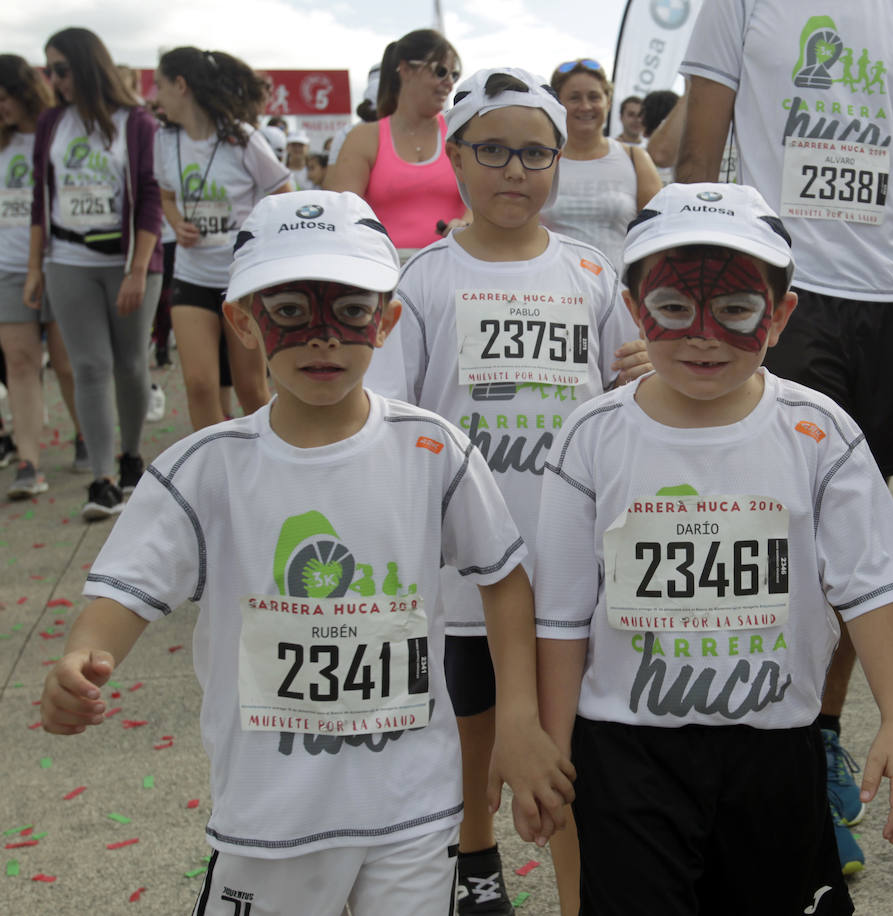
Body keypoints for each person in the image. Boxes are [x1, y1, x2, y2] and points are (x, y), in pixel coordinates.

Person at [40, 188, 574, 915]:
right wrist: (82, 656)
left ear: (385, 321)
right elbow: (127, 589)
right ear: (243, 320)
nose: (323, 338)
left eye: (350, 311)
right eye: (290, 311)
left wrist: (516, 717)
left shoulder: (432, 451)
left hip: (412, 810)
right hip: (270, 818)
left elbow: (503, 578)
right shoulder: (205, 469)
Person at [535, 181, 893, 916]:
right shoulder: (592, 439)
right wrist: (552, 746)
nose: (703, 334)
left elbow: (872, 590)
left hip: (774, 749)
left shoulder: (819, 434)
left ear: (780, 316)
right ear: (635, 310)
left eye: (737, 309)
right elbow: (561, 616)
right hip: (626, 752)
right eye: (673, 307)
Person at [676, 0, 893, 873]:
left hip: (888, 299)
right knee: (770, 533)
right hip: (783, 293)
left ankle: (817, 740)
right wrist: (686, 291)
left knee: (846, 547)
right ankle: (745, 746)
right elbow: (698, 154)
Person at [365, 66, 646, 916]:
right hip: (462, 576)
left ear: (560, 159)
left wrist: (646, 369)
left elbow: (630, 401)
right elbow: (389, 423)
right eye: (492, 151)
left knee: (562, 750)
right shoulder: (421, 280)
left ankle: (577, 898)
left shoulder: (593, 275)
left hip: (570, 570)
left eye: (534, 153)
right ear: (454, 155)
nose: (515, 171)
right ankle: (475, 856)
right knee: (472, 734)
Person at [25, 27, 165, 521]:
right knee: (88, 366)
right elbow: (41, 198)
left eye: (62, 69)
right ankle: (101, 477)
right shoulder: (52, 122)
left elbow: (151, 197)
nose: (54, 79)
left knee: (131, 363)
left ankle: (131, 458)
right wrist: (35, 267)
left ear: (87, 67)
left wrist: (137, 270)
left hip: (128, 261)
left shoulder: (137, 122)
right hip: (68, 258)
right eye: (49, 70)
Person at [153, 46, 291, 432]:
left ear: (181, 85)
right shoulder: (165, 139)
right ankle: (213, 464)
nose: (155, 96)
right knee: (199, 385)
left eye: (159, 85)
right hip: (191, 275)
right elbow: (166, 196)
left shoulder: (242, 137)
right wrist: (177, 223)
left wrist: (256, 241)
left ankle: (268, 457)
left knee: (251, 388)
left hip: (241, 280)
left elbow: (283, 193)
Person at [0, 53, 80, 497]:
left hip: (60, 262)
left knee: (68, 364)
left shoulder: (57, 133)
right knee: (20, 362)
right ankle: (28, 460)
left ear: (24, 93)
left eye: (4, 98)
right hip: (7, 269)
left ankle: (86, 434)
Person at [328, 30, 467, 263]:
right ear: (405, 70)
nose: (450, 83)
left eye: (454, 75)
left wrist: (466, 224)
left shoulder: (459, 134)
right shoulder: (363, 138)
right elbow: (339, 216)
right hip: (382, 266)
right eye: (441, 71)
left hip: (452, 264)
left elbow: (483, 199)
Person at [541, 60, 659, 275]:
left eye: (594, 97)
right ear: (558, 105)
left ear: (608, 103)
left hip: (617, 289)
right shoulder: (540, 160)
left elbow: (655, 232)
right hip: (550, 289)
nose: (585, 106)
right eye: (574, 98)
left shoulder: (635, 158)